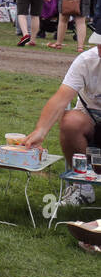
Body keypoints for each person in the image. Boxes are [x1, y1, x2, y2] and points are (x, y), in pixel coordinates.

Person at [25, 38, 101, 207]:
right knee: (70, 121)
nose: (100, 50)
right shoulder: (86, 61)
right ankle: (82, 187)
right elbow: (61, 99)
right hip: (89, 120)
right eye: (99, 45)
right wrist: (41, 131)